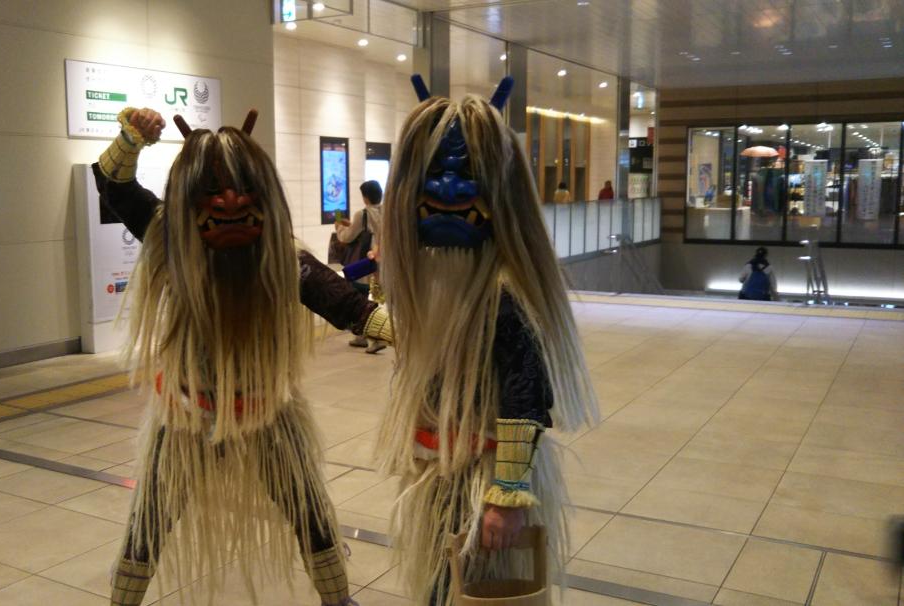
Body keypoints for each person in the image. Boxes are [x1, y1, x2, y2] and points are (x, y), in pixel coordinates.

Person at [93, 107, 390, 606]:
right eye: (212, 190)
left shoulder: (277, 254)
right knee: (150, 518)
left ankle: (337, 598)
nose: (229, 201)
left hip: (265, 406)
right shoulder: (170, 236)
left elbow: (341, 301)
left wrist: (409, 333)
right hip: (185, 410)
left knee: (308, 507)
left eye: (242, 189)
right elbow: (115, 187)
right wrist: (130, 140)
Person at [378, 76, 599, 605]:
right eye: (435, 175)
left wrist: (507, 495)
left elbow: (526, 388)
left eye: (467, 176)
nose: (449, 191)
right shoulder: (434, 293)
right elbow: (402, 334)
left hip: (481, 476)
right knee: (444, 585)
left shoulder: (503, 295)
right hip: (443, 469)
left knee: (465, 588)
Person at [336, 180, 385, 353]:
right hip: (383, 261)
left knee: (360, 298)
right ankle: (365, 336)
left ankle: (373, 337)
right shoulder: (386, 212)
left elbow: (347, 237)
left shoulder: (362, 214)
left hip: (366, 261)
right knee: (376, 299)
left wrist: (339, 227)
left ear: (366, 197)